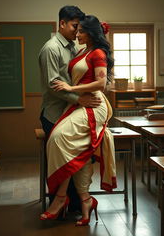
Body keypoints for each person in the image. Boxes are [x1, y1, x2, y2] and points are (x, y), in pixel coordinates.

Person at [40, 15, 117, 226]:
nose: (77, 34)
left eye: (81, 31)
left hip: (94, 105)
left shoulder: (98, 53)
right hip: (79, 103)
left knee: (57, 137)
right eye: (77, 29)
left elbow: (101, 83)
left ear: (91, 34)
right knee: (76, 150)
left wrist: (71, 89)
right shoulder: (83, 50)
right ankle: (85, 200)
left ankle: (60, 197)